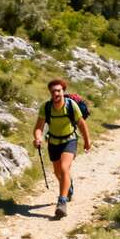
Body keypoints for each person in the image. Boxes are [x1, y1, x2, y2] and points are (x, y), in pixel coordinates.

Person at [33, 78, 91, 218]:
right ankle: (68, 186)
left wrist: (87, 141)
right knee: (57, 172)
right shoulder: (46, 107)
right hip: (53, 142)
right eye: (53, 91)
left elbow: (82, 124)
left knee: (65, 168)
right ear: (50, 93)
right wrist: (38, 138)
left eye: (58, 91)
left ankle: (62, 202)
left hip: (69, 140)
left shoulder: (71, 105)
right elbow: (38, 128)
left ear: (63, 91)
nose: (56, 93)